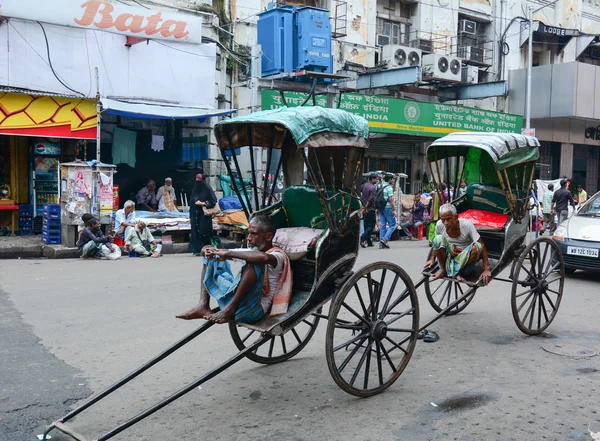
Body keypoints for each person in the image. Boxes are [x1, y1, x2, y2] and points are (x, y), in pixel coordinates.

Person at [176, 215, 292, 324]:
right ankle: (203, 305)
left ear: (268, 236)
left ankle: (230, 310)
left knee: (255, 262)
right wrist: (209, 251)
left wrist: (227, 254)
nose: (249, 238)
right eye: (248, 234)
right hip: (233, 302)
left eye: (253, 234)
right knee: (210, 253)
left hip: (253, 310)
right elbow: (207, 250)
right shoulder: (251, 252)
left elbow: (264, 257)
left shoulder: (278, 256)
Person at [424, 203, 491, 285]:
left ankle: (453, 272)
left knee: (477, 247)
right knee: (437, 239)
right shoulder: (439, 225)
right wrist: (432, 259)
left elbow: (482, 245)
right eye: (443, 220)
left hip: (464, 263)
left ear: (456, 217)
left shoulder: (466, 225)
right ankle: (447, 271)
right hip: (447, 260)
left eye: (448, 219)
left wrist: (486, 269)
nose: (445, 223)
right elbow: (436, 244)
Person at [189, 173, 218, 256]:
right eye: (196, 180)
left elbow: (213, 201)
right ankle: (197, 250)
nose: (197, 182)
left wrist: (203, 204)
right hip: (195, 215)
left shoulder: (207, 188)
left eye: (199, 180)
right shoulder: (195, 189)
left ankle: (208, 248)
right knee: (196, 232)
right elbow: (192, 201)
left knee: (204, 232)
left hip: (204, 215)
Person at [378, 174, 397, 249]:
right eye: (392, 179)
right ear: (389, 179)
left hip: (381, 207)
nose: (393, 181)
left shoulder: (380, 186)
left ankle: (381, 243)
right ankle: (384, 239)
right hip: (388, 207)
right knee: (393, 224)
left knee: (382, 225)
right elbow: (391, 200)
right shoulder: (389, 187)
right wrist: (394, 210)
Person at [360, 174, 378, 248]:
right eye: (376, 179)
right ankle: (362, 238)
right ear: (372, 179)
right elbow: (370, 199)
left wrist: (363, 207)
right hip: (370, 209)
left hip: (364, 208)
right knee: (371, 226)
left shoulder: (364, 185)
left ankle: (369, 242)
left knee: (366, 225)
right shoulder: (373, 187)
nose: (377, 181)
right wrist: (366, 208)